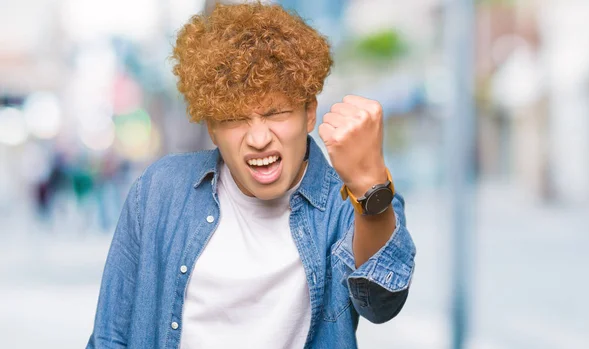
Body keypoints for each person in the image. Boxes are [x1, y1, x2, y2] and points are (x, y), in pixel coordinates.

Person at [87, 3, 416, 349]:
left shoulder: (348, 205)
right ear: (212, 128)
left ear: (309, 114)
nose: (258, 139)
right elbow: (111, 337)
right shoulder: (159, 192)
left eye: (276, 113)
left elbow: (382, 303)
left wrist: (369, 188)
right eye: (234, 118)